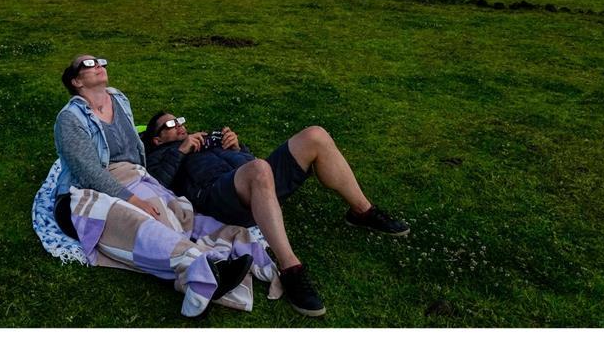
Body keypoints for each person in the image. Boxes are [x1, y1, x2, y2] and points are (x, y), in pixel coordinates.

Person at [47, 54, 279, 317]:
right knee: (140, 222)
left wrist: (151, 185)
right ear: (76, 80)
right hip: (86, 193)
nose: (99, 65)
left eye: (99, 61)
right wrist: (133, 199)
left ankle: (239, 250)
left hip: (135, 176)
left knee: (183, 216)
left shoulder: (119, 99)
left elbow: (135, 150)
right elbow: (88, 173)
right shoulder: (70, 119)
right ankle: (200, 272)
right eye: (88, 64)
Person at [143, 110, 409, 317]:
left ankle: (362, 211)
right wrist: (180, 151)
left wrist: (237, 147)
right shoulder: (159, 155)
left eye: (178, 120)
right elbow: (156, 183)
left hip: (256, 180)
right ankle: (290, 268)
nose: (178, 125)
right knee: (259, 169)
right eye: (169, 125)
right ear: (157, 139)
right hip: (216, 194)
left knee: (315, 135)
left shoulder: (204, 140)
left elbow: (246, 161)